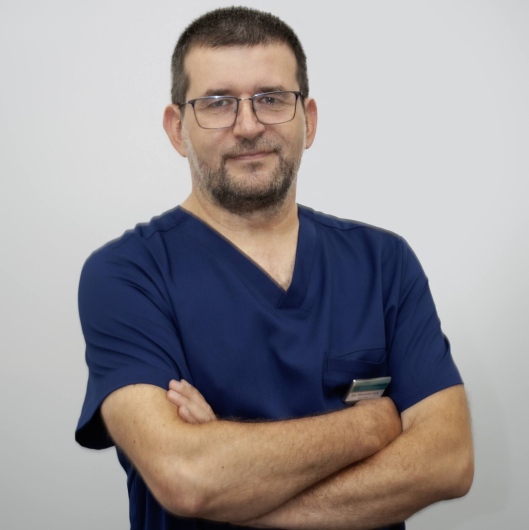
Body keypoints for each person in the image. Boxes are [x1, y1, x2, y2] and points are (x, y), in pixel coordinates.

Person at [75, 6, 473, 530]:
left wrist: (233, 486)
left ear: (308, 120)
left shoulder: (383, 263)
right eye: (217, 103)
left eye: (271, 98)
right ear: (177, 129)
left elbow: (448, 461)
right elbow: (185, 476)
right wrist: (372, 427)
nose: (248, 125)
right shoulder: (127, 275)